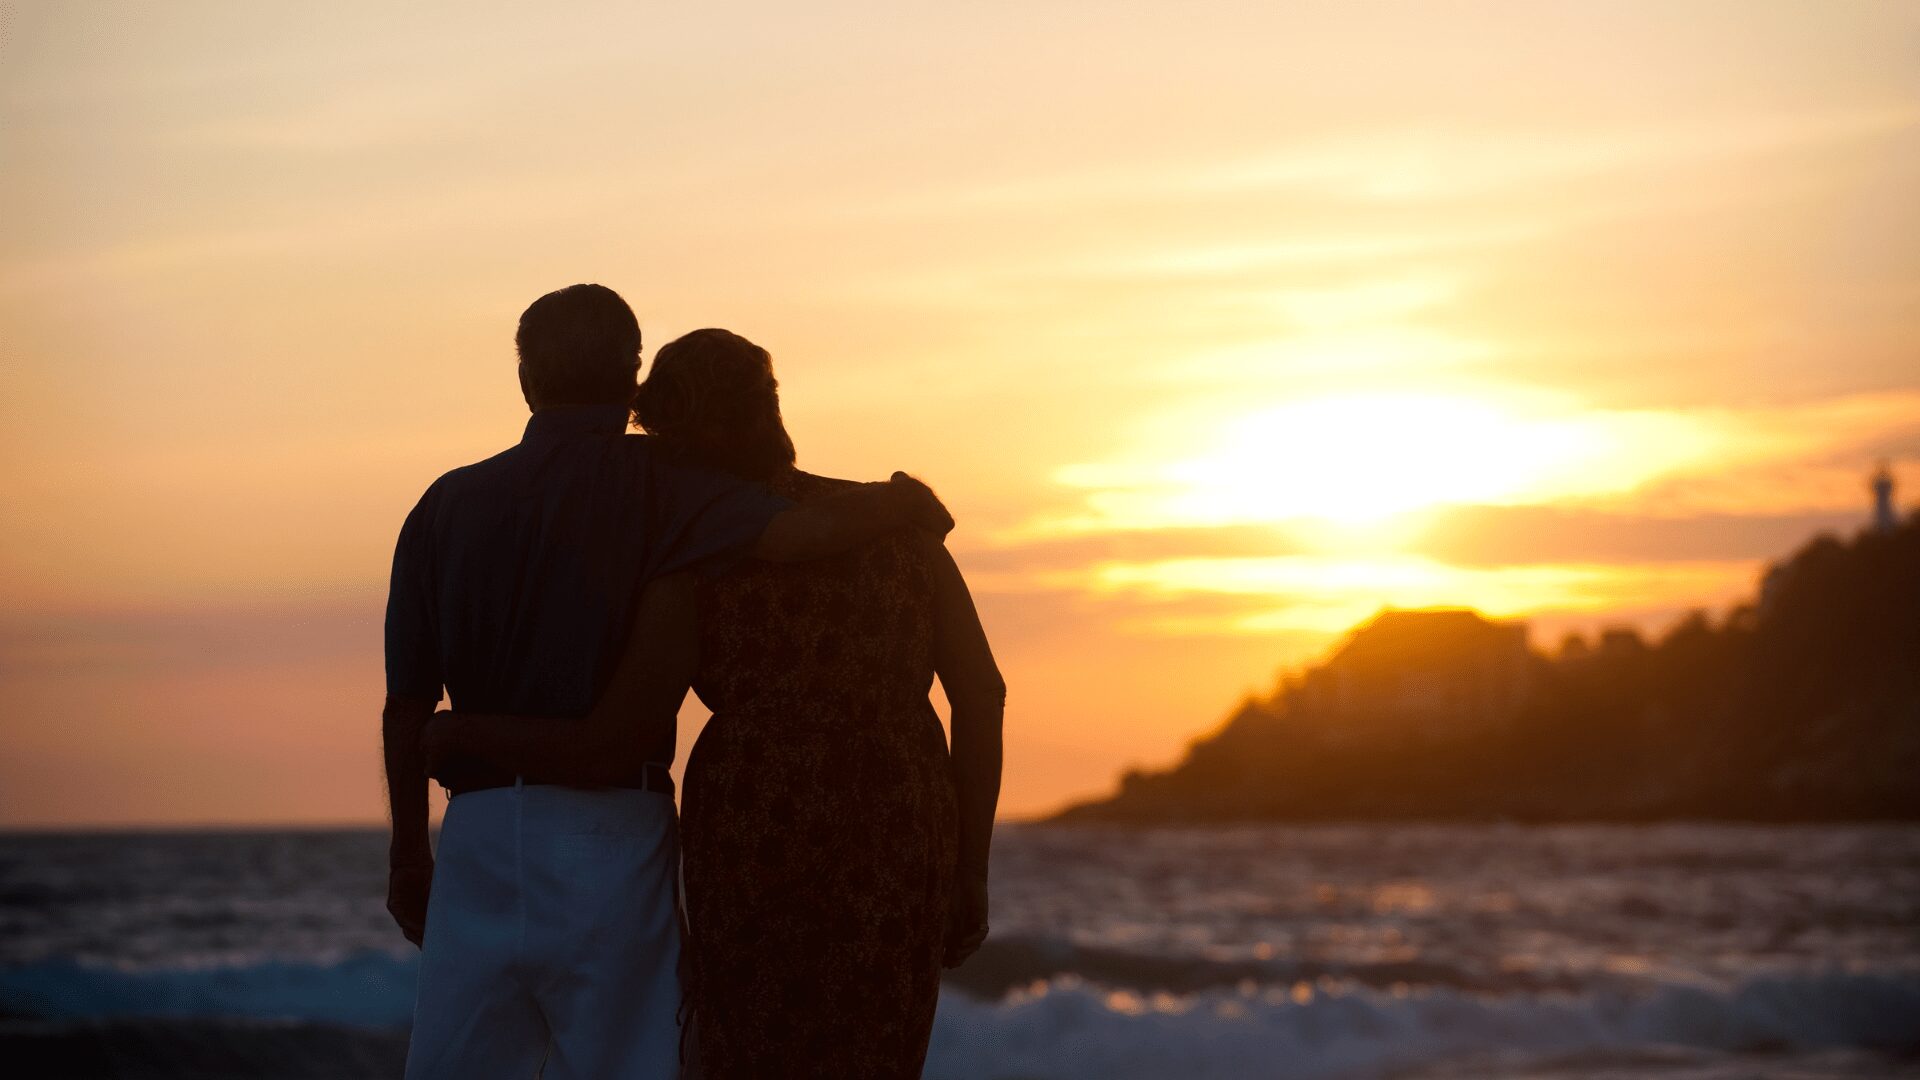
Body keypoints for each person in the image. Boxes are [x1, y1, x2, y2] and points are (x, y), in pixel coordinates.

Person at [383, 287, 951, 1080]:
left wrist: (410, 857)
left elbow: (406, 708)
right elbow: (796, 534)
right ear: (632, 372)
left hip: (475, 834)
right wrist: (903, 500)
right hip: (609, 833)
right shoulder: (664, 481)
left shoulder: (443, 504)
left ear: (525, 380)